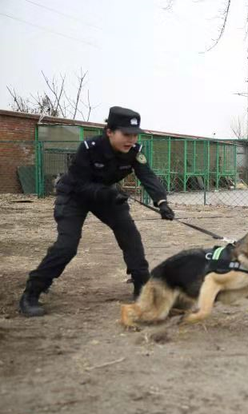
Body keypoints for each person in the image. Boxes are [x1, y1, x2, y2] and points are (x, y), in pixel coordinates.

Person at [19, 106, 175, 317]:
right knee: (67, 246)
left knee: (130, 236)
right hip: (74, 196)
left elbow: (147, 176)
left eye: (134, 135)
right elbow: (80, 183)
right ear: (109, 131)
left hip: (106, 197)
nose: (131, 140)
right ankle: (32, 292)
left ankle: (142, 287)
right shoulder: (89, 148)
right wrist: (110, 194)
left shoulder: (135, 152)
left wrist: (161, 202)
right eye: (126, 134)